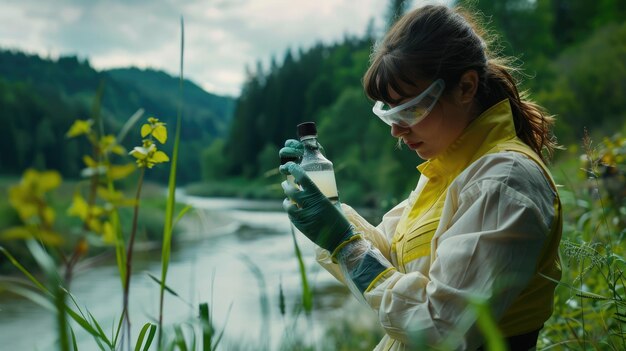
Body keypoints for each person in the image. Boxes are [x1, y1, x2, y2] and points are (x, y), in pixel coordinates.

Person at [279, 4, 562, 350]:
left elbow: (439, 326)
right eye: (389, 112)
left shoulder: (502, 181)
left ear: (466, 87)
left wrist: (343, 242)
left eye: (410, 109)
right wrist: (328, 210)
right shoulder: (449, 170)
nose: (397, 129)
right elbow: (391, 259)